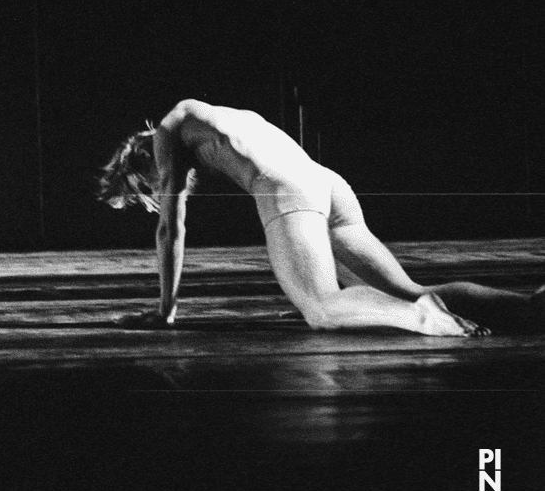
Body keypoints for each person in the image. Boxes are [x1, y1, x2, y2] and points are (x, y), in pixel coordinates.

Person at [98, 99, 545, 335]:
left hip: (286, 187)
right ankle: (527, 307)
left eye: (145, 188)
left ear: (138, 160)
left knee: (320, 308)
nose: (156, 192)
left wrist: (166, 312)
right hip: (327, 183)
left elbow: (170, 227)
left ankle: (421, 318)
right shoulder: (217, 118)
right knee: (410, 288)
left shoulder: (170, 129)